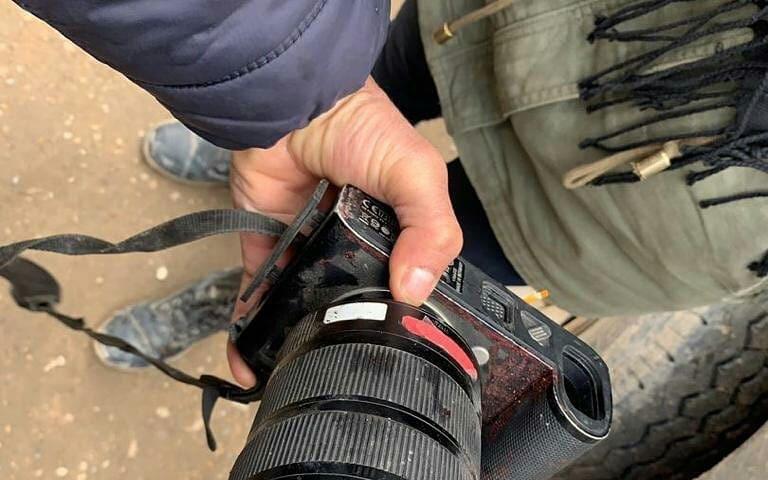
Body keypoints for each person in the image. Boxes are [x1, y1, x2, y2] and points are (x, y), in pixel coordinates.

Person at [11, 0, 768, 375]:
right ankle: (273, 133)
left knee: (391, 268)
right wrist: (292, 102)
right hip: (547, 19)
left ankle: (244, 299)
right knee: (365, 81)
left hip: (655, 219)